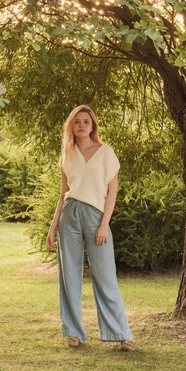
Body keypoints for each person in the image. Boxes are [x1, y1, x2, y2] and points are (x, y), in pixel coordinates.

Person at [46, 104, 134, 351]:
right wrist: (53, 227)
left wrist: (104, 224)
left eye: (86, 121)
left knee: (105, 276)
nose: (82, 125)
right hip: (70, 215)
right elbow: (63, 193)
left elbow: (112, 192)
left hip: (96, 217)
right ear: (71, 127)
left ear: (93, 125)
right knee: (69, 277)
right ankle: (72, 332)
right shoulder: (67, 154)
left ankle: (121, 333)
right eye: (77, 122)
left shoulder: (106, 152)